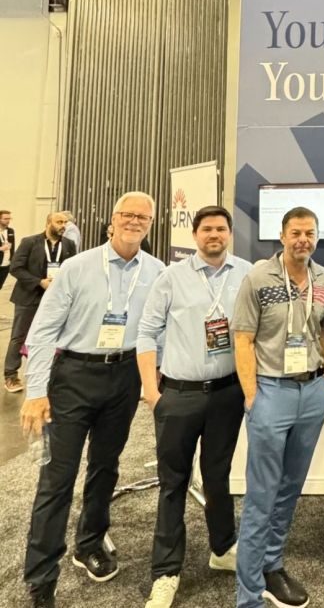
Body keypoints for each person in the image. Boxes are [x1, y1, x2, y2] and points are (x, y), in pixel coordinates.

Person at [19, 192, 165, 608]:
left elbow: (159, 330)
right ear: (112, 220)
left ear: (150, 224)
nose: (134, 221)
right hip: (74, 377)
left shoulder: (157, 272)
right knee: (57, 478)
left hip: (124, 377)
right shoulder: (77, 267)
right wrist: (36, 391)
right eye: (127, 215)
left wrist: (154, 378)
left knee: (106, 466)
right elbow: (42, 332)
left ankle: (89, 544)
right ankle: (41, 576)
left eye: (143, 217)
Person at [137, 205, 252, 608]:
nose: (214, 235)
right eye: (207, 229)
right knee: (174, 483)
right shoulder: (171, 277)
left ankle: (222, 548)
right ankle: (166, 572)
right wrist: (151, 391)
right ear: (195, 234)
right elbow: (146, 332)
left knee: (218, 476)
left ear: (230, 233)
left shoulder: (246, 273)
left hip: (226, 393)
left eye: (221, 228)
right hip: (179, 394)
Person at [232, 206, 324, 608]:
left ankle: (271, 567)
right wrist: (252, 396)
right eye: (296, 233)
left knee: (290, 487)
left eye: (309, 233)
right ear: (282, 236)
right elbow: (243, 339)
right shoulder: (259, 277)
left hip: (312, 391)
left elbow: (323, 332)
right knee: (262, 495)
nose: (303, 240)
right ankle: (248, 596)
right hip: (271, 392)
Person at [4, 213, 77, 393]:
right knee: (19, 336)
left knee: (52, 336)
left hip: (55, 298)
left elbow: (72, 270)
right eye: (59, 222)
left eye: (65, 222)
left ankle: (49, 374)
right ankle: (11, 375)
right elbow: (16, 268)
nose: (63, 225)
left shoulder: (69, 244)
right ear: (48, 223)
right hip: (29, 296)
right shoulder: (30, 242)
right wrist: (39, 282)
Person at [0, 209, 15, 290]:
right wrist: (1, 248)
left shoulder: (10, 231)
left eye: (9, 218)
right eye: (5, 219)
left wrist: (12, 260)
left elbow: (12, 246)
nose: (8, 221)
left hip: (6, 264)